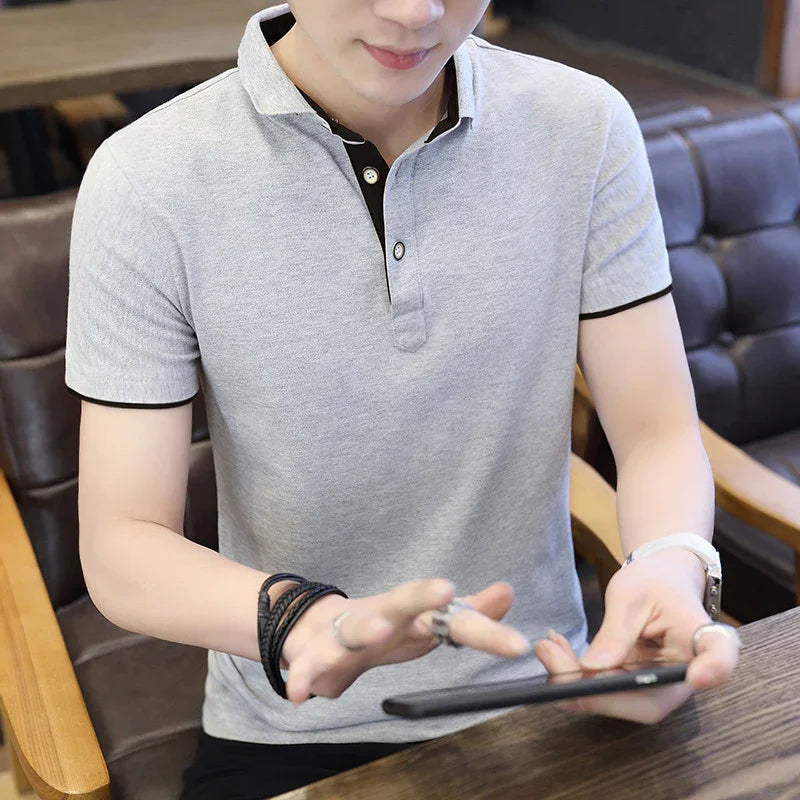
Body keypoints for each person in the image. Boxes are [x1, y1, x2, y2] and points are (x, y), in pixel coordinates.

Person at [64, 2, 741, 798]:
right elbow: (121, 542)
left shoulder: (583, 125)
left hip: (560, 690)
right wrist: (303, 621)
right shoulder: (147, 178)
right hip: (299, 720)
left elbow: (658, 432)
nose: (415, 11)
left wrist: (670, 568)